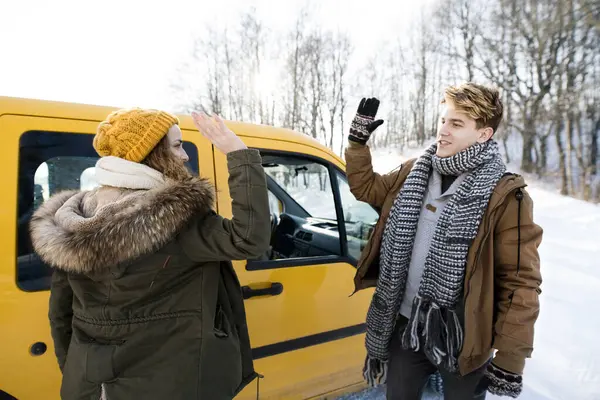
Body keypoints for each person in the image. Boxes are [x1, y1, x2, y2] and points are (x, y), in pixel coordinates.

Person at [30, 108, 271, 400]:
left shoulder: (70, 221)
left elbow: (60, 312)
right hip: (171, 385)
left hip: (89, 386)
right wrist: (238, 153)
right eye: (178, 146)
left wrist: (77, 372)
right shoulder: (175, 216)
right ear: (150, 152)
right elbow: (249, 240)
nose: (184, 157)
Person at [345, 83, 543, 399]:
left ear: (483, 134)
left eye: (456, 124)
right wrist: (357, 143)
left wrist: (510, 357)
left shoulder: (506, 197)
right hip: (407, 327)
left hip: (464, 339)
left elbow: (521, 283)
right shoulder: (415, 171)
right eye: (443, 121)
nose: (443, 131)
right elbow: (367, 190)